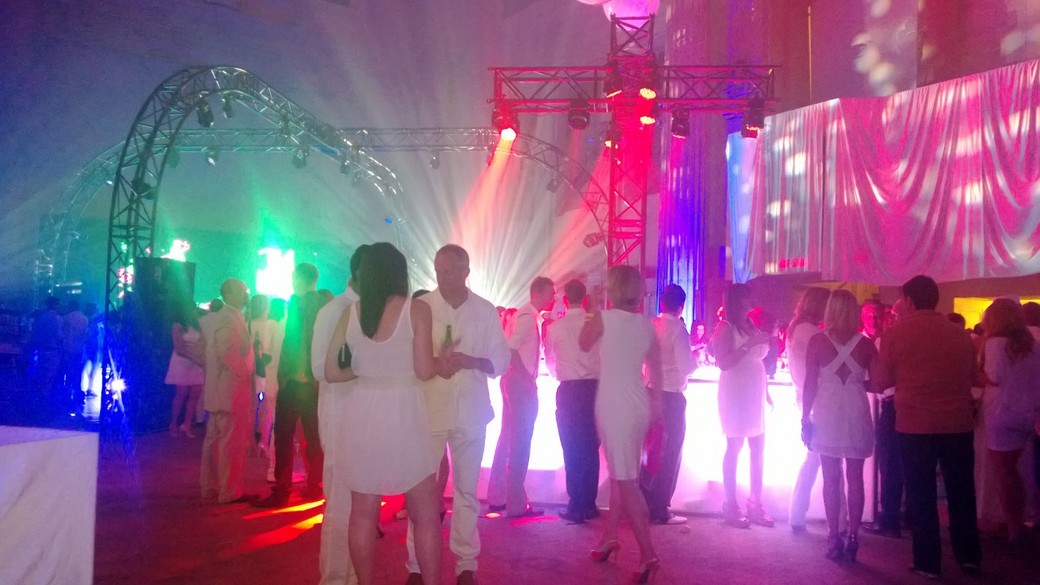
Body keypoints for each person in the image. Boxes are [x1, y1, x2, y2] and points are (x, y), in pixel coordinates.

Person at [324, 242, 442, 585]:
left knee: (362, 513)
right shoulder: (416, 309)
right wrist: (443, 362)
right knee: (424, 515)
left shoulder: (352, 312)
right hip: (405, 413)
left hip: (363, 412)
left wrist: (365, 371)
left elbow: (331, 371)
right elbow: (424, 369)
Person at [404, 244, 510, 585]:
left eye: (448, 270)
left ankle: (466, 564)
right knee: (421, 493)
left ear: (466, 271)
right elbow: (408, 360)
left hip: (471, 412)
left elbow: (501, 360)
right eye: (438, 270)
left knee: (466, 492)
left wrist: (471, 361)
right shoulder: (421, 307)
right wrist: (437, 363)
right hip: (429, 411)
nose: (441, 276)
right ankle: (416, 565)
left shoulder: (484, 310)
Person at [872, 275, 981, 579]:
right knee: (962, 490)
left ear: (908, 301)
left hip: (915, 424)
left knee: (921, 494)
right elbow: (973, 375)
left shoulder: (896, 334)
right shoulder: (960, 334)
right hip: (957, 422)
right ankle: (969, 556)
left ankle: (928, 561)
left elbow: (881, 382)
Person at [580, 265, 662, 584]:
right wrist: (657, 409)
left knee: (626, 482)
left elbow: (584, 343)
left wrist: (592, 308)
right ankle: (609, 537)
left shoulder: (603, 318)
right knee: (622, 476)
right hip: (639, 404)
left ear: (612, 290)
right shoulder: (647, 326)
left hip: (614, 405)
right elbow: (656, 372)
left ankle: (648, 554)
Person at [801, 290, 878, 562]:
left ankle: (833, 535)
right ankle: (853, 536)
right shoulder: (866, 345)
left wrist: (804, 417)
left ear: (831, 310)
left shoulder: (817, 341)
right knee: (855, 478)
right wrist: (856, 383)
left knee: (830, 477)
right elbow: (879, 382)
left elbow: (810, 383)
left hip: (827, 411)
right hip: (856, 410)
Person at [310, 245, 367, 585]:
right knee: (339, 507)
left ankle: (350, 575)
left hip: (360, 419)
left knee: (358, 508)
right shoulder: (335, 310)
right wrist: (368, 368)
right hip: (338, 419)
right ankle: (333, 578)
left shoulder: (367, 309)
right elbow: (320, 367)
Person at [255, 263, 328, 507]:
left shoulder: (307, 303)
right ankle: (312, 486)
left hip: (302, 382)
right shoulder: (310, 303)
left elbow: (299, 343)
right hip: (306, 382)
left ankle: (288, 489)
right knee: (309, 437)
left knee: (291, 437)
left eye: (294, 277)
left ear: (299, 278)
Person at [487, 276, 555, 517]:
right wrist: (527, 379)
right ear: (538, 293)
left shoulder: (522, 316)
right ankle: (516, 504)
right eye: (551, 293)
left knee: (507, 438)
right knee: (520, 442)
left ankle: (497, 496)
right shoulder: (527, 318)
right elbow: (511, 348)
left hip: (511, 380)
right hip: (518, 383)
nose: (554, 297)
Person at [709, 283, 774, 528]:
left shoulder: (750, 324)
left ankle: (755, 502)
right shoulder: (725, 327)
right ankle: (731, 504)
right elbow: (723, 363)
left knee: (758, 448)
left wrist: (766, 392)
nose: (752, 301)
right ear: (737, 301)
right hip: (735, 392)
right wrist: (749, 345)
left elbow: (757, 362)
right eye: (747, 297)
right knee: (734, 446)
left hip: (755, 392)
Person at [977, 298, 1040, 543]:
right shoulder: (1032, 346)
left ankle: (1013, 527)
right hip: (1026, 413)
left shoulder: (994, 344)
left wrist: (975, 373)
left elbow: (993, 377)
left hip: (1000, 413)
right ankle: (1018, 522)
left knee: (1005, 473)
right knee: (1014, 471)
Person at [786, 287, 843, 534]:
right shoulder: (811, 333)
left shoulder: (797, 329)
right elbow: (829, 370)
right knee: (827, 459)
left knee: (815, 458)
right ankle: (837, 521)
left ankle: (799, 514)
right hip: (817, 400)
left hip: (806, 398)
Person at [544, 278, 601, 523]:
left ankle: (577, 503)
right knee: (591, 447)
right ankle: (589, 503)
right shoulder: (595, 325)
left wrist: (560, 373)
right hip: (594, 389)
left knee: (572, 447)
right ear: (585, 298)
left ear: (565, 300)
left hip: (569, 390)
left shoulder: (555, 328)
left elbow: (549, 360)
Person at [639, 284, 695, 525]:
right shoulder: (678, 330)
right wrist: (696, 361)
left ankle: (643, 503)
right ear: (681, 306)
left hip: (649, 391)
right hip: (671, 396)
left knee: (649, 451)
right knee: (669, 453)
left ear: (661, 303)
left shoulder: (651, 325)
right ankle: (660, 509)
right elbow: (685, 366)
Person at [199, 279, 256, 505]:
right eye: (243, 291)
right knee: (229, 442)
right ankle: (229, 490)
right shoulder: (228, 317)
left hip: (221, 391)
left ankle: (212, 486)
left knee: (215, 441)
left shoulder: (225, 317)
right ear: (230, 294)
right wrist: (244, 372)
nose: (246, 295)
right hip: (229, 391)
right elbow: (226, 351)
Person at [863, 298, 907, 539]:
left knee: (890, 464)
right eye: (868, 315)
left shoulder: (887, 340)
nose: (874, 320)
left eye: (878, 315)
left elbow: (881, 381)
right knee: (904, 463)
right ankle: (905, 516)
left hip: (891, 404)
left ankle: (889, 518)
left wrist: (855, 384)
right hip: (907, 404)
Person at [166, 298, 205, 438]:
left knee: (195, 394)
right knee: (181, 394)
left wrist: (199, 355)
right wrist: (196, 358)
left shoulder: (198, 324)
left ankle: (187, 424)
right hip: (182, 362)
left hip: (196, 361)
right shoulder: (177, 325)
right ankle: (173, 423)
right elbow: (179, 348)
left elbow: (203, 341)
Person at [247, 294, 274, 452]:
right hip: (267, 370)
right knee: (266, 406)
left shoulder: (247, 324)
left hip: (251, 370)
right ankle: (263, 441)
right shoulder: (272, 325)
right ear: (266, 307)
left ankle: (249, 439)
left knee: (251, 406)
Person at [61, 299, 89, 417]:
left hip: (67, 349)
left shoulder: (67, 318)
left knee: (67, 373)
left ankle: (66, 396)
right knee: (78, 374)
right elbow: (85, 335)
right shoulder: (85, 319)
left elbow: (62, 333)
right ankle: (77, 395)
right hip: (79, 350)